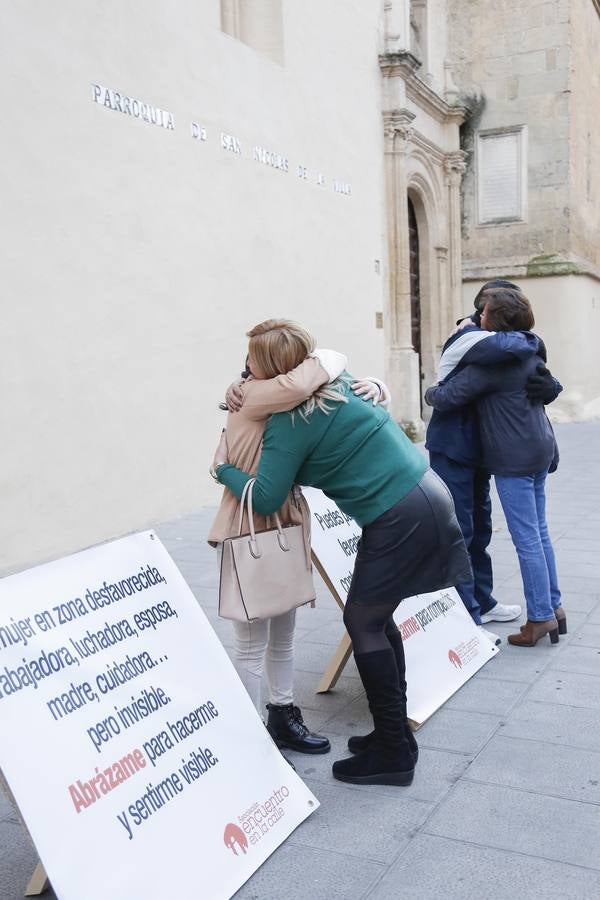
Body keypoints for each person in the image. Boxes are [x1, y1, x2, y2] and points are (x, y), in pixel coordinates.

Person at [212, 319, 472, 787]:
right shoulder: (342, 382)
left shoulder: (291, 422)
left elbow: (267, 497)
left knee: (364, 622)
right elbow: (343, 373)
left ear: (272, 369)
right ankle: (393, 736)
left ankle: (393, 752)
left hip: (398, 513)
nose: (245, 365)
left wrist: (224, 470)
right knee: (377, 618)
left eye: (251, 358)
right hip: (423, 491)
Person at [208, 331, 389, 756]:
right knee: (251, 644)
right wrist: (221, 468)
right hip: (248, 520)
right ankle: (250, 742)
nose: (245, 363)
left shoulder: (282, 396)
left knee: (285, 636)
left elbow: (321, 380)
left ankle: (283, 714)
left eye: (254, 357)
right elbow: (312, 374)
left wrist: (378, 386)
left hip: (285, 521)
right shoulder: (255, 396)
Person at [425, 287, 564, 647]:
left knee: (519, 536)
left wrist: (430, 391)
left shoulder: (499, 354)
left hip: (506, 456)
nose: (480, 315)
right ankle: (483, 611)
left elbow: (446, 394)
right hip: (465, 449)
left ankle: (539, 614)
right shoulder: (487, 342)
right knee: (475, 531)